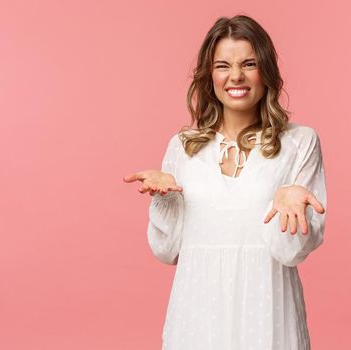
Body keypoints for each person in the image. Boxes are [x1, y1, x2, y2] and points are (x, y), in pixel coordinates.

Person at [122, 15, 328, 350]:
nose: (236, 76)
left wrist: (292, 206)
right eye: (223, 65)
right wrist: (164, 199)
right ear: (209, 75)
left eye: (249, 63)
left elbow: (290, 254)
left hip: (268, 312)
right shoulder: (183, 146)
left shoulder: (299, 142)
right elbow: (167, 251)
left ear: (267, 71)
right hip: (196, 315)